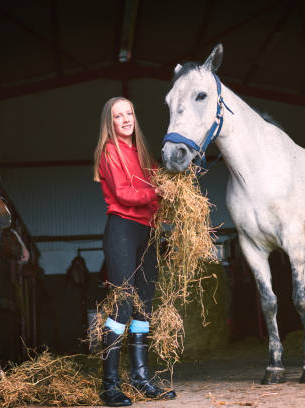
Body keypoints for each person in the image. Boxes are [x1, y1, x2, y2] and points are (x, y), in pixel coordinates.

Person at [93, 97, 176, 406]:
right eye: (118, 116)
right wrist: (156, 192)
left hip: (147, 231)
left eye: (129, 113)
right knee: (122, 305)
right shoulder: (109, 152)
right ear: (110, 122)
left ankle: (140, 380)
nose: (126, 119)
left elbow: (159, 191)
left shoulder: (143, 154)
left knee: (144, 306)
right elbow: (124, 193)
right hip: (122, 230)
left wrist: (169, 199)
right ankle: (109, 386)